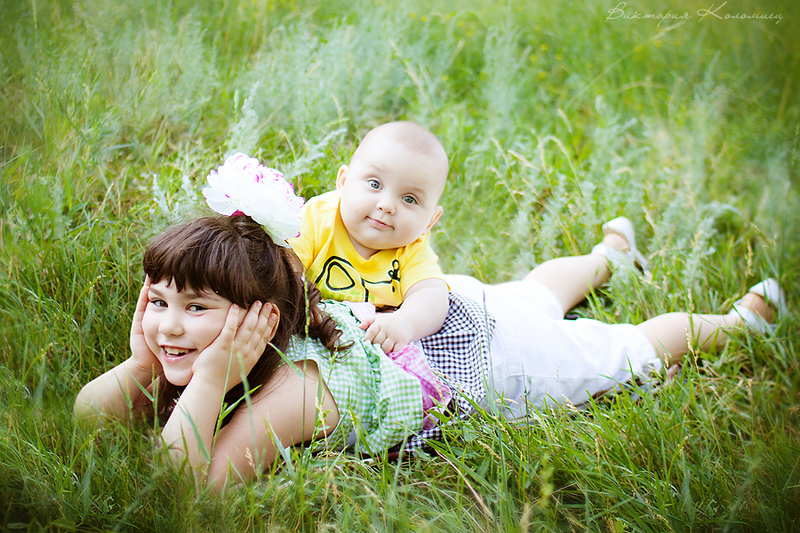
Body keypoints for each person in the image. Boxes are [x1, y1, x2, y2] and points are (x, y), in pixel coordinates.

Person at [74, 155, 786, 491]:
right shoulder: (218, 340)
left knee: (624, 349)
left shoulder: (295, 390)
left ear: (264, 318)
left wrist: (206, 382)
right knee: (533, 291)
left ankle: (735, 322)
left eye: (196, 309)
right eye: (159, 301)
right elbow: (86, 420)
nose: (168, 326)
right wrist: (141, 364)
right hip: (434, 318)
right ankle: (608, 258)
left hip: (488, 361)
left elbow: (181, 490)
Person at [289, 121, 450, 355]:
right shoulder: (319, 217)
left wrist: (404, 322)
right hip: (308, 323)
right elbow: (285, 263)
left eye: (409, 199)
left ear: (430, 221)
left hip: (368, 338)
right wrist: (297, 296)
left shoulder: (411, 249)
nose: (386, 205)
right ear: (343, 182)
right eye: (375, 184)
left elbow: (432, 295)